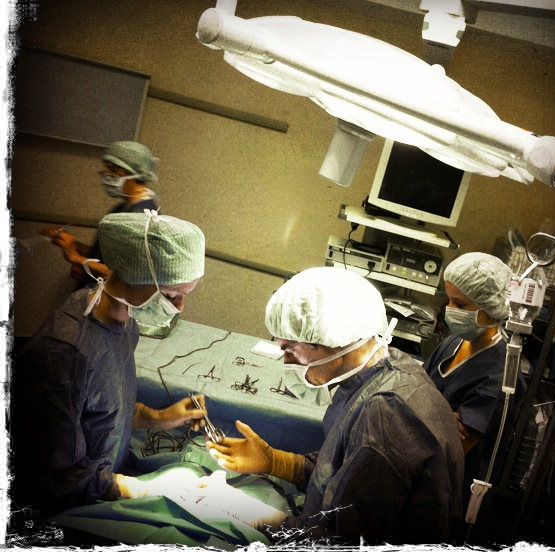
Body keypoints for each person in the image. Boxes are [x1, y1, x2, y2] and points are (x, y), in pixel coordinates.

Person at [202, 266, 464, 545]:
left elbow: (337, 541)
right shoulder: (387, 367)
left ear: (338, 341)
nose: (287, 363)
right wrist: (275, 461)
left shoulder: (385, 418)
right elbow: (342, 471)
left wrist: (245, 511)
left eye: (291, 349)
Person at [13, 211, 208, 518]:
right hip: (62, 509)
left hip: (101, 480)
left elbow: (102, 411)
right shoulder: (63, 354)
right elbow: (53, 476)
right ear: (134, 275)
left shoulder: (124, 322)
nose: (180, 307)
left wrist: (158, 418)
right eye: (172, 294)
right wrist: (132, 488)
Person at [422, 252, 527, 510]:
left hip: (451, 486)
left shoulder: (500, 375)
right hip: (420, 469)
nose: (449, 310)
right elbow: (416, 392)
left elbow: (452, 448)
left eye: (459, 304)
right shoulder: (454, 342)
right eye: (448, 300)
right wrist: (443, 420)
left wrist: (422, 414)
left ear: (491, 309)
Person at [41, 140, 159, 287]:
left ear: (133, 173)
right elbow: (105, 257)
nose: (105, 174)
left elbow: (123, 276)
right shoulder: (123, 208)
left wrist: (75, 258)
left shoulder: (140, 217)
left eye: (113, 170)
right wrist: (69, 243)